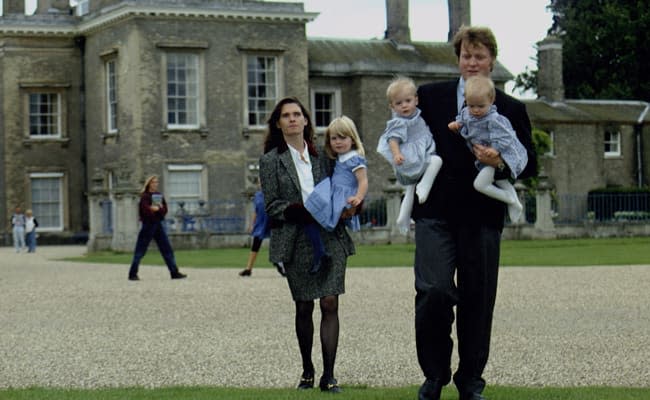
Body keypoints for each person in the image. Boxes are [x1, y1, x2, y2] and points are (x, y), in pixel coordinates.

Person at [413, 26, 537, 400]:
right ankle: (434, 376)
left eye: (479, 56)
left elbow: (530, 163)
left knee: (478, 299)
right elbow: (407, 136)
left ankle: (470, 381)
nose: (472, 62)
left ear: (491, 61)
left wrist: (500, 161)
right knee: (433, 291)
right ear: (458, 59)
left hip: (482, 215)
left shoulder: (512, 109)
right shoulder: (430, 98)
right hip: (435, 212)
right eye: (466, 56)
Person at [259, 97, 356, 393]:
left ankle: (329, 376)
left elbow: (346, 184)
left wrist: (352, 205)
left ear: (305, 120)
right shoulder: (270, 161)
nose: (292, 119)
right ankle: (307, 371)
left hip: (330, 235)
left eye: (297, 114)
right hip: (296, 238)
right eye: (286, 115)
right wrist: (304, 210)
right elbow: (272, 205)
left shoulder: (324, 157)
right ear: (278, 123)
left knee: (330, 301)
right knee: (304, 305)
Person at [447, 75, 528, 223]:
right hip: (484, 157)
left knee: (480, 184)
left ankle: (509, 199)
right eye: (471, 106)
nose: (476, 110)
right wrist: (457, 124)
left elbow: (507, 137)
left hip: (501, 155)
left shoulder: (494, 119)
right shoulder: (467, 112)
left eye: (481, 106)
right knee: (502, 181)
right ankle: (514, 202)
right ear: (466, 101)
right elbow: (463, 119)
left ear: (491, 100)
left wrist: (496, 150)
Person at [377, 76, 443, 234]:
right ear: (392, 106)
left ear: (416, 100)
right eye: (399, 103)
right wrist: (397, 154)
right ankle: (425, 185)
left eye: (407, 101)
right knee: (436, 160)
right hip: (409, 158)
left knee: (410, 189)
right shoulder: (399, 122)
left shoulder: (417, 117)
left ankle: (404, 216)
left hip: (416, 156)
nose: (404, 106)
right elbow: (392, 140)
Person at [304, 115, 368, 272]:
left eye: (342, 137)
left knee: (313, 215)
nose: (338, 142)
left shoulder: (354, 158)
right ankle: (320, 250)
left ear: (352, 139)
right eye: (334, 138)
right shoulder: (339, 157)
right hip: (333, 192)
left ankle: (320, 251)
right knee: (311, 214)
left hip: (342, 196)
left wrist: (358, 198)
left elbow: (363, 181)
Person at [128, 175, 187, 281]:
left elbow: (164, 209)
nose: (156, 184)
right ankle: (132, 273)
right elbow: (145, 211)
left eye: (157, 182)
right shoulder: (145, 196)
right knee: (140, 250)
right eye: (154, 182)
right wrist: (153, 210)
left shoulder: (158, 195)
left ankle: (174, 272)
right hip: (148, 225)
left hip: (158, 224)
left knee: (167, 249)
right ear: (149, 184)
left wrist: (157, 210)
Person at [239, 188, 286, 277]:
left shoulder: (274, 192)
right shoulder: (258, 195)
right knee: (255, 244)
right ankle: (248, 269)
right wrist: (252, 224)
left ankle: (280, 264)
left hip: (272, 220)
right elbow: (256, 211)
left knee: (277, 244)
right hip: (261, 222)